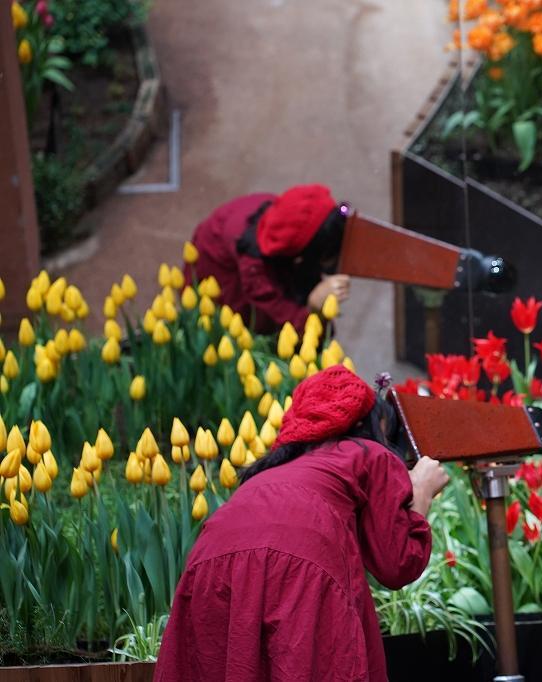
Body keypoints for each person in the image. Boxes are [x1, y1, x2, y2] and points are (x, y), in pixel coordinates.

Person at [154, 366, 450, 681]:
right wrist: (421, 493)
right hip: (299, 560)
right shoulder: (368, 454)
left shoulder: (270, 470)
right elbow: (396, 564)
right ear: (366, 423)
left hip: (209, 562)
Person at [186, 184, 352, 334]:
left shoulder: (289, 218)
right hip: (219, 278)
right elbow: (285, 317)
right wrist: (313, 307)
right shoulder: (254, 266)